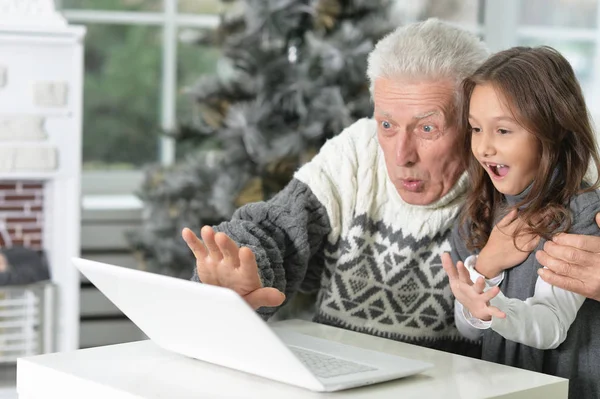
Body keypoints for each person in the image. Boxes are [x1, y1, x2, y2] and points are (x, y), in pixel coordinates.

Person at [180, 18, 600, 358]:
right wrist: (237, 267)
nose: (401, 155)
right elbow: (276, 228)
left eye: (428, 127)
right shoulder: (357, 151)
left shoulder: (504, 176)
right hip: (335, 371)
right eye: (387, 124)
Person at [443, 46, 600, 398]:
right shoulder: (478, 214)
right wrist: (486, 265)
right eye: (476, 129)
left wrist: (493, 306)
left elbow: (551, 325)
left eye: (503, 131)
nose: (483, 148)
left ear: (553, 130)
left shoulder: (583, 216)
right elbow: (470, 329)